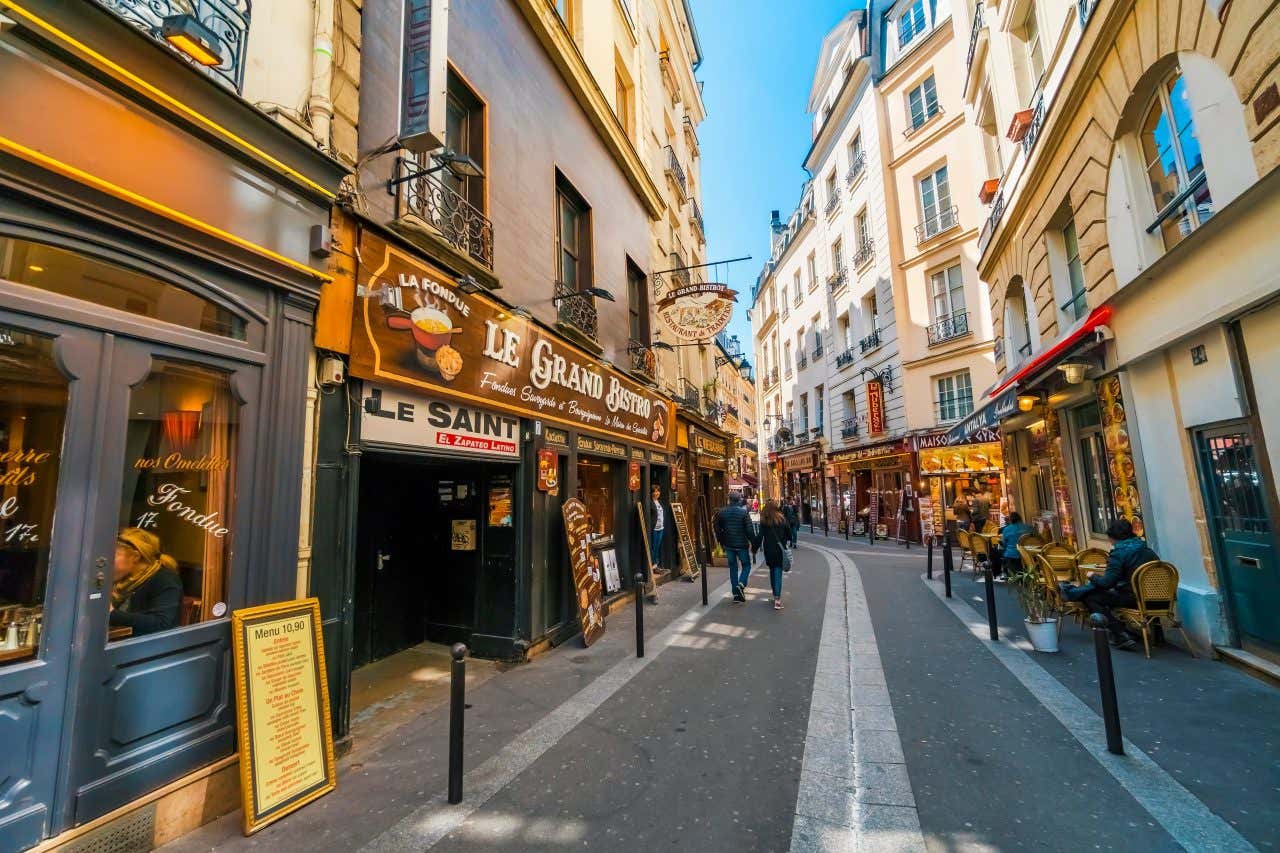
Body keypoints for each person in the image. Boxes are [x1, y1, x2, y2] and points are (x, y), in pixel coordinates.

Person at [1064, 518, 1155, 650]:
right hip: (1158, 598)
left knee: (1092, 597)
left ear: (1113, 538)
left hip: (1133, 598)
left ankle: (1119, 633)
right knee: (1098, 590)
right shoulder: (1146, 549)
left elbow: (1107, 583)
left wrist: (1092, 576)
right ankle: (1071, 591)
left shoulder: (1119, 553)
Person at [111, 527, 183, 636]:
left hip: (149, 648)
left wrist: (112, 614)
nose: (109, 558)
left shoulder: (165, 579)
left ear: (135, 557)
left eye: (116, 554)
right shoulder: (123, 579)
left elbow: (162, 623)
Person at [713, 493, 755, 603]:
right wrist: (753, 543)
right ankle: (741, 584)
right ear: (739, 500)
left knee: (733, 568)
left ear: (729, 500)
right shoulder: (744, 512)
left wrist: (721, 540)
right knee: (746, 565)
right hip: (742, 545)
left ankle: (736, 594)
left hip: (729, 544)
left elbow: (717, 527)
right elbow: (750, 530)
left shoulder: (722, 512)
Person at [750, 500, 791, 611]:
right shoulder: (782, 519)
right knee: (777, 572)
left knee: (773, 571)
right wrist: (785, 541)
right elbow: (789, 534)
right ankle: (777, 599)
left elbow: (759, 537)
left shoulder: (765, 521)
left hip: (769, 550)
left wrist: (754, 549)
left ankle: (775, 595)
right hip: (779, 550)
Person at [997, 511, 1035, 580]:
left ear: (1010, 520)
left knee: (999, 551)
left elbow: (1004, 544)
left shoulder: (1006, 529)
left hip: (1012, 556)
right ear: (1020, 519)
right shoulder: (1030, 527)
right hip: (1028, 555)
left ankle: (1004, 572)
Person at [648, 484, 668, 576]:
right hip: (654, 528)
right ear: (651, 493)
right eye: (654, 491)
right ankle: (652, 565)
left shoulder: (659, 502)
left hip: (661, 528)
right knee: (654, 547)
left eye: (658, 491)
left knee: (658, 546)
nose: (656, 493)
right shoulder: (650, 503)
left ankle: (656, 565)